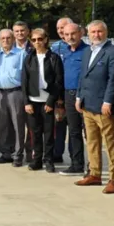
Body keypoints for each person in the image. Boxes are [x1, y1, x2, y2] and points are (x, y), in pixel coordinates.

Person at [75, 20, 114, 194]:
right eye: (93, 32)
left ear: (106, 32)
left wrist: (108, 101)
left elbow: (113, 79)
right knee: (92, 142)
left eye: (99, 31)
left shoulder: (113, 52)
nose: (96, 35)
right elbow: (83, 76)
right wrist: (79, 96)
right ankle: (94, 174)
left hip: (103, 106)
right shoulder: (88, 51)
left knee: (111, 143)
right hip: (87, 104)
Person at [21, 28, 65, 172]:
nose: (37, 42)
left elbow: (58, 81)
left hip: (47, 101)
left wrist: (51, 101)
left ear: (46, 39)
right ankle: (37, 160)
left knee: (48, 133)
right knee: (35, 132)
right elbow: (24, 82)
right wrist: (26, 102)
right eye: (33, 40)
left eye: (40, 39)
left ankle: (49, 160)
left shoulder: (54, 58)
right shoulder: (28, 58)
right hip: (33, 101)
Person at [57, 22, 88, 176]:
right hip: (67, 95)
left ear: (80, 33)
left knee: (90, 133)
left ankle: (93, 166)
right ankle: (77, 164)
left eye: (73, 34)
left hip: (84, 96)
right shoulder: (65, 51)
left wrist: (80, 95)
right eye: (67, 34)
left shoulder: (87, 51)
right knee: (74, 131)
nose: (70, 37)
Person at [0, 29, 27, 166]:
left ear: (13, 39)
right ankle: (5, 153)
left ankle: (17, 154)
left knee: (17, 124)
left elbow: (27, 77)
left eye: (8, 38)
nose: (6, 40)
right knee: (3, 125)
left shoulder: (21, 54)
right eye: (3, 38)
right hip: (1, 92)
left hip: (16, 93)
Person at [51, 17, 73, 163]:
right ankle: (56, 153)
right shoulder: (55, 47)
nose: (60, 31)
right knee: (58, 124)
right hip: (58, 92)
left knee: (74, 127)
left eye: (63, 27)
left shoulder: (80, 46)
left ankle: (75, 156)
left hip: (73, 93)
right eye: (58, 28)